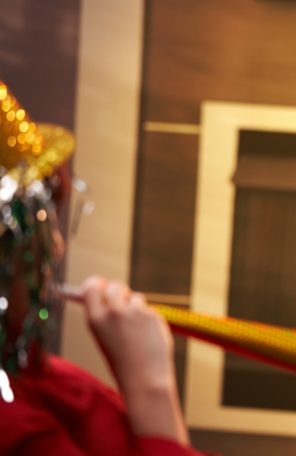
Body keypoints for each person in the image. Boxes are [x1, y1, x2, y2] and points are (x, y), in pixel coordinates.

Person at [0, 81, 210, 456]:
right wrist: (151, 387)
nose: (58, 248)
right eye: (31, 229)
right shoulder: (14, 426)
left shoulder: (40, 375)